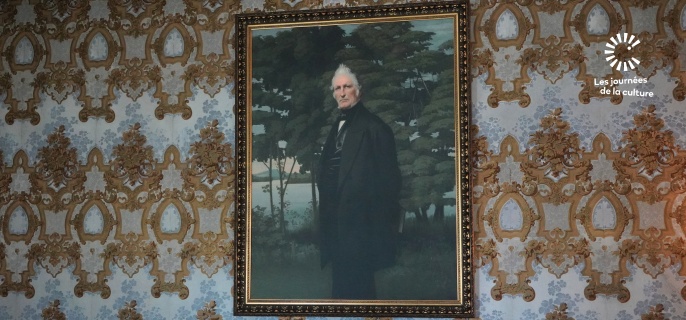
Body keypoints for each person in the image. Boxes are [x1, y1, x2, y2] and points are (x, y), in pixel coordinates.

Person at [317, 64, 402, 299]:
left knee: (361, 295)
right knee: (340, 293)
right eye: (337, 88)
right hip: (336, 225)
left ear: (359, 90)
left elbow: (390, 185)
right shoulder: (336, 127)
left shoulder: (376, 128)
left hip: (362, 230)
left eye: (347, 86)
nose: (342, 92)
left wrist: (375, 229)